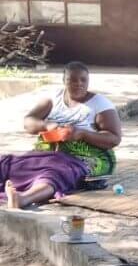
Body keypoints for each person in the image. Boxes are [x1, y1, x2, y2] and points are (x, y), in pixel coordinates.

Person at [4, 63, 121, 210]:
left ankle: (24, 198)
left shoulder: (100, 104)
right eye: (73, 80)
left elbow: (114, 138)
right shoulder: (54, 99)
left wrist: (83, 134)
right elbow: (28, 122)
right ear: (64, 81)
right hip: (47, 155)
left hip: (84, 158)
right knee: (8, 163)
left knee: (56, 173)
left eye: (83, 80)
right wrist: (46, 126)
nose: (79, 84)